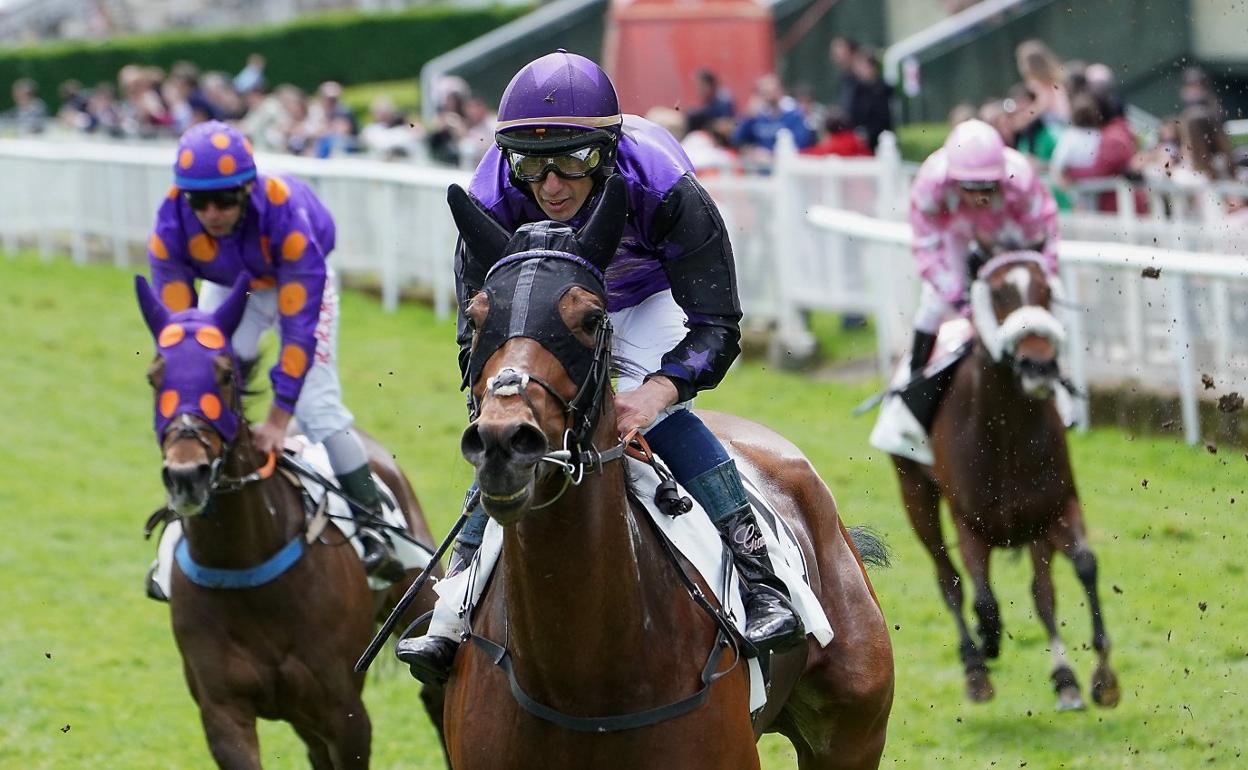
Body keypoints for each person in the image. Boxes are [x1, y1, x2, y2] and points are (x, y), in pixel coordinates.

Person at [397, 50, 805, 683]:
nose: (551, 184)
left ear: (608, 150)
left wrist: (658, 392)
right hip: (541, 311)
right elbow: (474, 338)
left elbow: (717, 326)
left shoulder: (666, 186)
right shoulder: (492, 198)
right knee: (509, 422)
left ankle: (760, 578)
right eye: (532, 163)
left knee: (642, 410)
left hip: (647, 298)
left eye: (574, 159)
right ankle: (454, 600)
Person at [145, 120, 404, 582]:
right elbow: (179, 340)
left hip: (298, 278)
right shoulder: (170, 222)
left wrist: (278, 421)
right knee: (205, 377)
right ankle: (181, 525)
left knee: (316, 405)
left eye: (224, 199)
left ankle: (374, 527)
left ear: (247, 189)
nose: (212, 212)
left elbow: (299, 331)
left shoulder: (284, 213)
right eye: (199, 201)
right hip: (231, 286)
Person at [907, 119, 1059, 373]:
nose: (980, 197)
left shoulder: (1019, 178)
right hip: (955, 232)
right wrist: (957, 299)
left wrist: (1045, 274)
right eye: (970, 188)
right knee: (934, 304)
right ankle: (913, 380)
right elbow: (926, 249)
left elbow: (1045, 235)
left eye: (988, 186)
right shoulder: (930, 184)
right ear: (953, 180)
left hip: (1007, 232)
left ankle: (1054, 374)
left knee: (1043, 294)